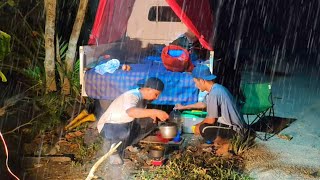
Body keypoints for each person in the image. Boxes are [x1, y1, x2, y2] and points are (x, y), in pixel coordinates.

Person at [175, 64, 247, 154]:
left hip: (236, 131)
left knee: (204, 128)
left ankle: (227, 143)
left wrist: (198, 125)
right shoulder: (216, 89)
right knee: (204, 126)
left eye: (195, 82)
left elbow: (211, 120)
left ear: (201, 80)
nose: (196, 86)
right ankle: (220, 141)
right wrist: (183, 107)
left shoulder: (214, 93)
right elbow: (202, 104)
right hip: (235, 127)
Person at [97, 77, 169, 164]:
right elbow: (131, 112)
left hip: (122, 124)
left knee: (150, 122)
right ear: (148, 89)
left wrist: (151, 114)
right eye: (156, 94)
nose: (157, 98)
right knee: (124, 130)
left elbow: (138, 115)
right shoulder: (132, 95)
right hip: (108, 127)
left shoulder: (143, 99)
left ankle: (127, 144)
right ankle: (113, 151)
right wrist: (155, 111)